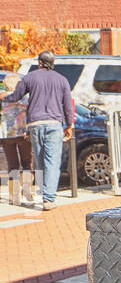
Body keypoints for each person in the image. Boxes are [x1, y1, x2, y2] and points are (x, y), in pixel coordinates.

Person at [2, 52, 74, 211]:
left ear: (40, 62)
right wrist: (69, 126)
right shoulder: (62, 80)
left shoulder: (29, 77)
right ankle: (48, 199)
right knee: (52, 162)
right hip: (54, 124)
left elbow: (16, 96)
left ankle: (43, 195)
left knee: (40, 161)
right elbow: (68, 107)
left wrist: (3, 98)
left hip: (35, 124)